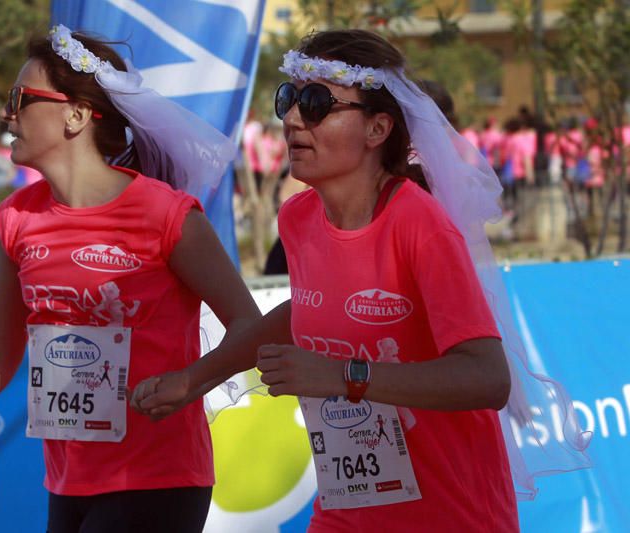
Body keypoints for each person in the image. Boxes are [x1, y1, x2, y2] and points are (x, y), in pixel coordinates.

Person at [133, 29, 589, 531]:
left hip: (446, 515)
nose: (290, 118)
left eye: (315, 102)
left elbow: (487, 377)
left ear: (377, 129)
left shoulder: (421, 225)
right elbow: (304, 310)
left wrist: (343, 376)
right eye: (288, 98)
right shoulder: (298, 219)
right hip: (345, 513)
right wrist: (193, 379)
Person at [0, 24, 260, 533]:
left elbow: (249, 323)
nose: (7, 113)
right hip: (67, 484)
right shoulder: (15, 218)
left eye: (21, 98)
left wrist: (190, 382)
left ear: (77, 115)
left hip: (158, 479)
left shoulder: (166, 214)